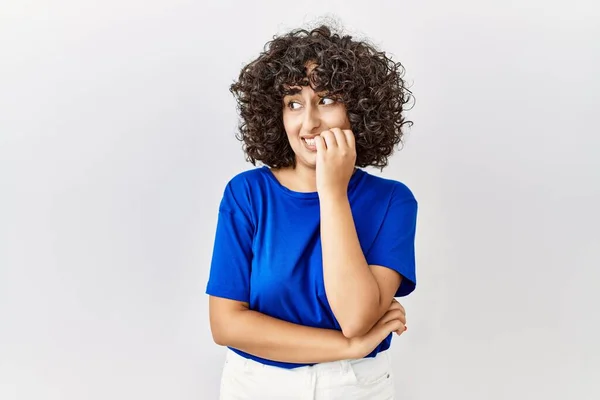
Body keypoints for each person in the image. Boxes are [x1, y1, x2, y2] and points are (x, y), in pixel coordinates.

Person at [205, 23, 418, 400]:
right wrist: (349, 347)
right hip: (256, 385)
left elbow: (355, 318)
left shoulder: (392, 202)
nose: (309, 123)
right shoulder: (247, 194)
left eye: (327, 100)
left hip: (355, 388)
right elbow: (226, 326)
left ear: (360, 109)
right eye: (294, 104)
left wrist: (332, 191)